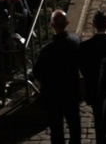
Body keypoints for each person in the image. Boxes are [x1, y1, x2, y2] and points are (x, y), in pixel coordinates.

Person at [32, 10, 81, 144]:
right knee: (74, 125)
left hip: (53, 93)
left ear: (51, 25)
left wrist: (47, 81)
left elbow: (36, 71)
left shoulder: (47, 49)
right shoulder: (75, 41)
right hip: (71, 90)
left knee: (56, 129)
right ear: (67, 23)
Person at [78, 10, 106, 144]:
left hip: (94, 88)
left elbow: (83, 69)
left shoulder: (84, 46)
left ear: (93, 25)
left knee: (98, 120)